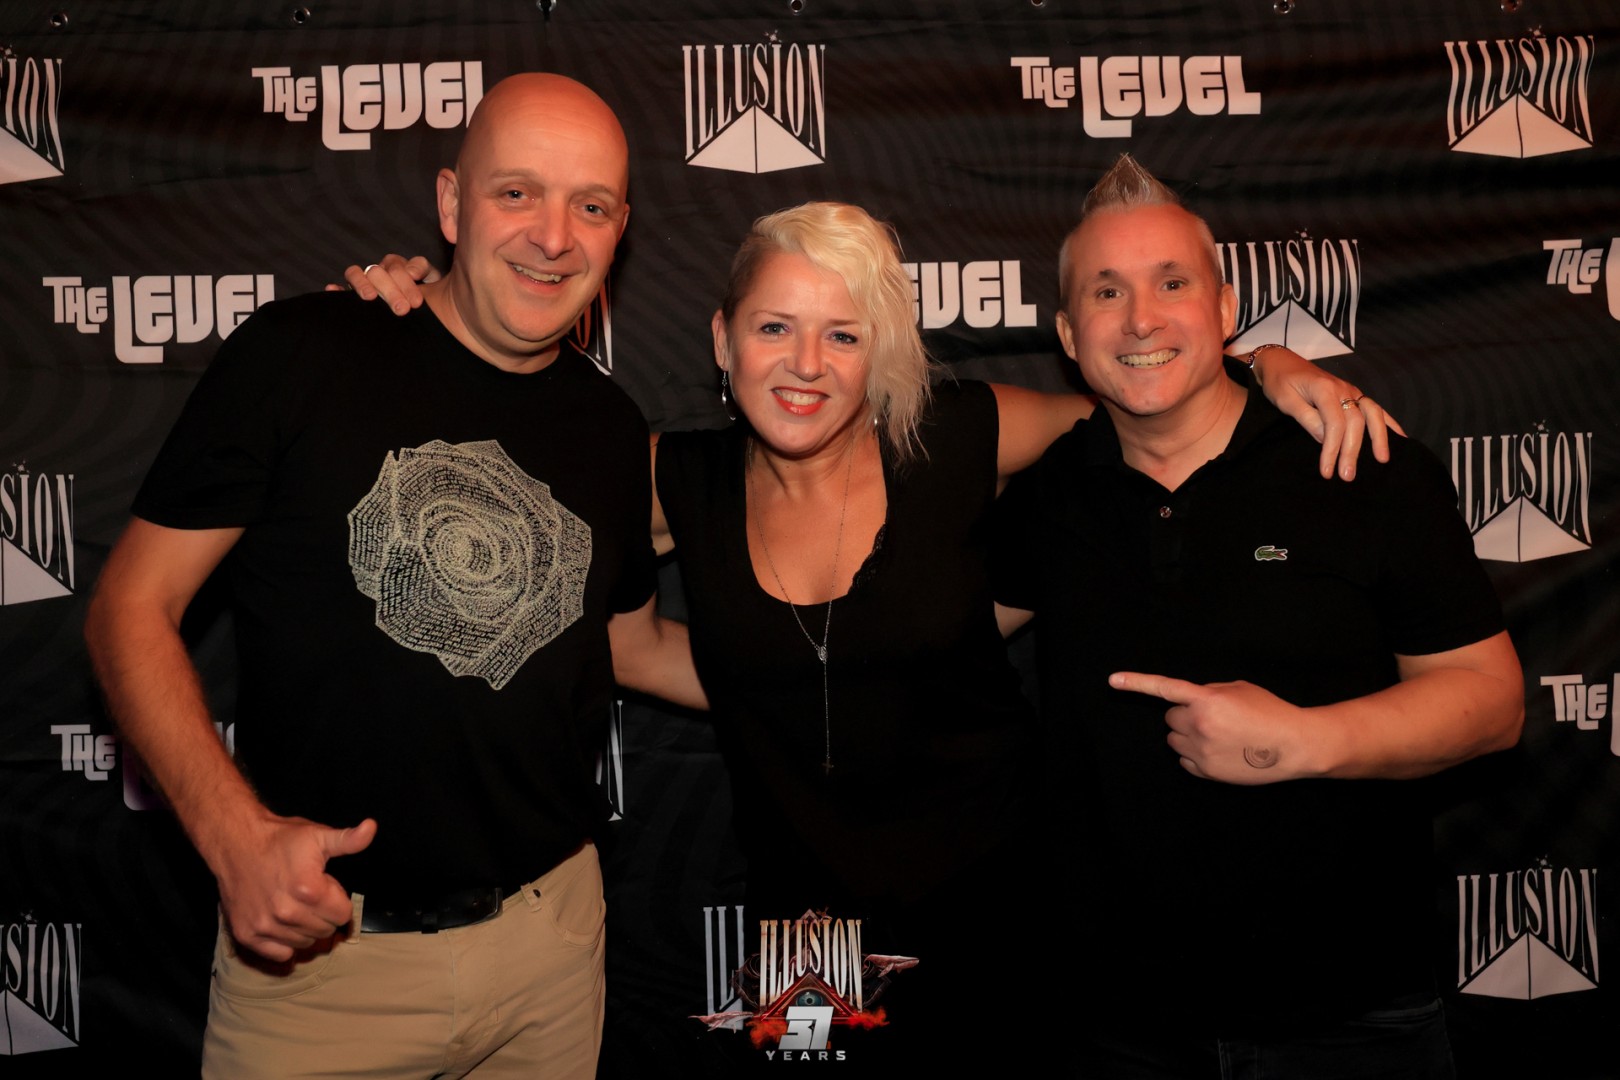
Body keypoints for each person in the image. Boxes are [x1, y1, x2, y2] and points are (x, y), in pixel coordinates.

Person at [347, 199, 1395, 1068]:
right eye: (774, 328)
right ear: (721, 341)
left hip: (1008, 921)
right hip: (809, 943)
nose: (805, 364)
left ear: (877, 354)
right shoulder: (675, 479)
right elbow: (554, 544)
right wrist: (418, 313)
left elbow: (1143, 401)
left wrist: (1265, 361)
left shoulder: (957, 436)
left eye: (843, 335)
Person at [83, 74, 699, 1079]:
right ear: (452, 204)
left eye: (590, 207)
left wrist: (840, 676)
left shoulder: (609, 427)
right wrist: (236, 839)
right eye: (516, 193)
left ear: (619, 230)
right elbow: (129, 607)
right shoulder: (303, 354)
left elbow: (630, 644)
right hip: (324, 968)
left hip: (550, 953)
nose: (553, 236)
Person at [994, 156, 1524, 1077]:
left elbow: (1491, 702)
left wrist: (1301, 740)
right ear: (1069, 334)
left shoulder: (1361, 463)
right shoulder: (1048, 499)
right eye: (1107, 292)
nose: (1142, 318)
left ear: (1227, 307)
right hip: (1116, 1027)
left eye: (1172, 283)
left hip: (1353, 1019)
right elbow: (921, 631)